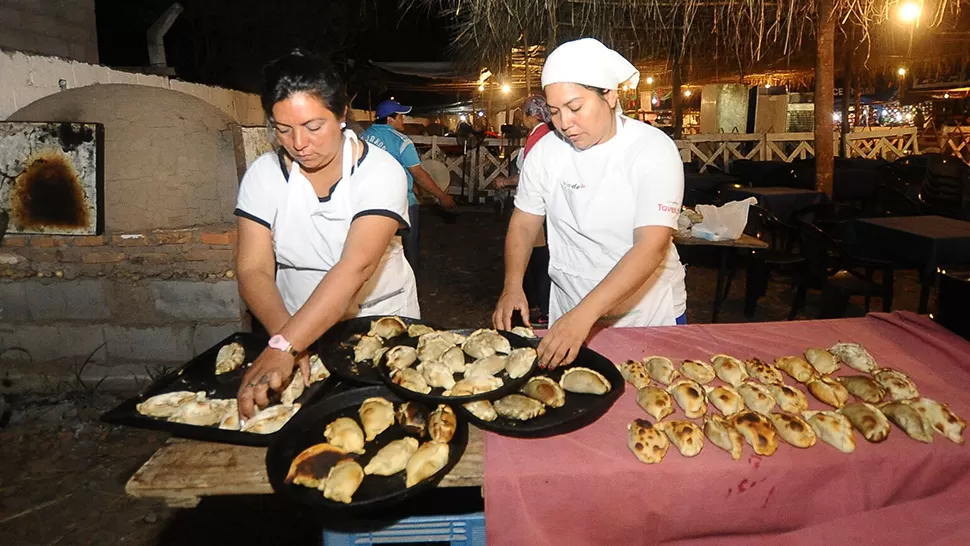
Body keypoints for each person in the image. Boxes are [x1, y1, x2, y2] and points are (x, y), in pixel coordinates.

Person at [234, 51, 419, 418]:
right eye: (283, 129)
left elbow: (355, 266)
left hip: (377, 317)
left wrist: (285, 345)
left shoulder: (380, 173)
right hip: (291, 316)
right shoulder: (264, 175)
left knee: (384, 418)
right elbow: (252, 268)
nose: (299, 142)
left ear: (342, 115)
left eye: (313, 126)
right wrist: (286, 338)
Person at [492, 38, 687, 369]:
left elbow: (652, 245)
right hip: (570, 305)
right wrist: (512, 286)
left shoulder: (651, 149)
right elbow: (524, 223)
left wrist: (585, 315)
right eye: (554, 112)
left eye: (575, 107)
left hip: (644, 312)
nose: (565, 123)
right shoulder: (545, 152)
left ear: (609, 96)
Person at [361, 100, 457, 271]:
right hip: (401, 202)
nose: (403, 120)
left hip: (369, 201)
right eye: (400, 116)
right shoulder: (402, 141)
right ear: (390, 119)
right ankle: (410, 281)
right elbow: (418, 173)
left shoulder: (363, 138)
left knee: (376, 246)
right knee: (409, 244)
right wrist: (441, 195)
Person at [494, 95, 556, 326]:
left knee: (539, 257)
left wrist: (507, 182)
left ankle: (544, 307)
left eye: (523, 113)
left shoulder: (539, 136)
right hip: (543, 207)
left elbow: (531, 176)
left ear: (532, 115)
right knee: (539, 255)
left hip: (538, 207)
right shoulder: (547, 133)